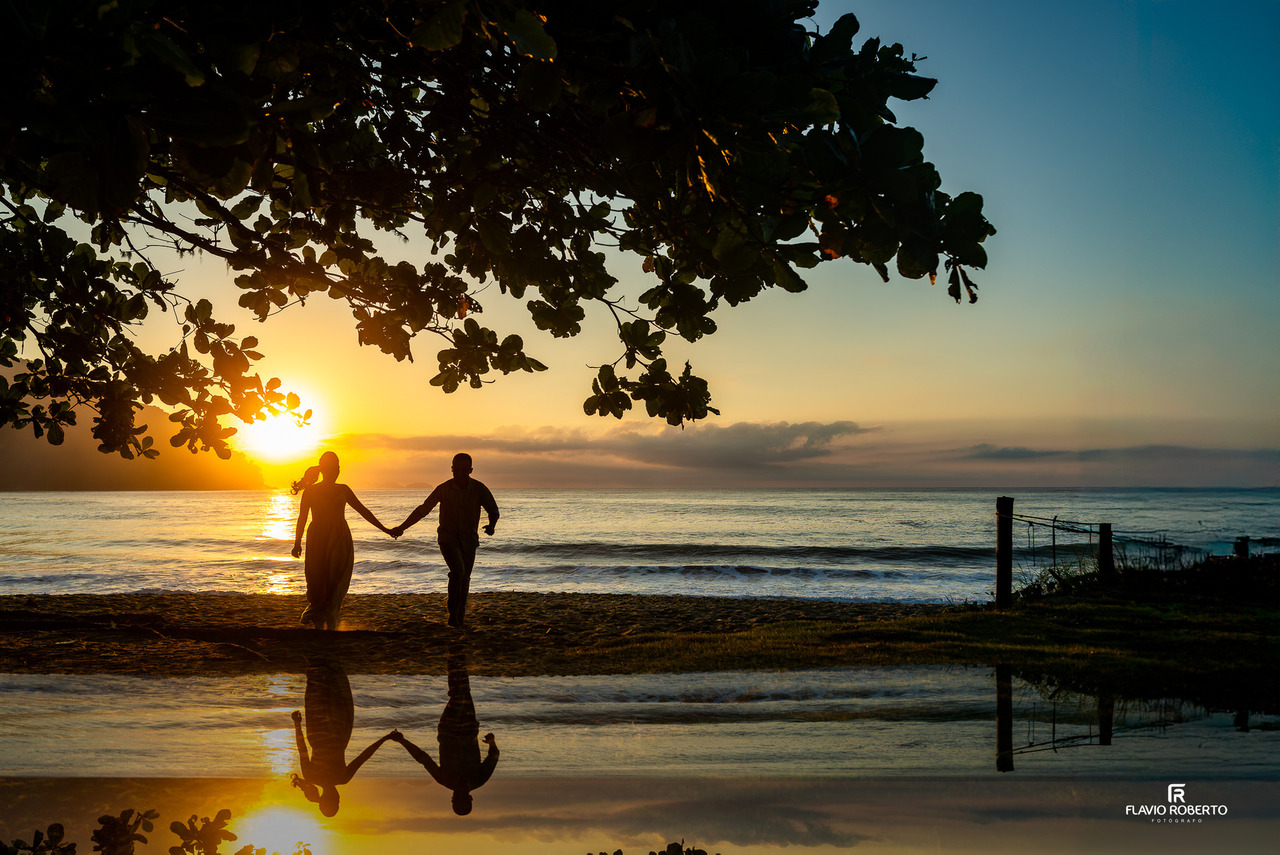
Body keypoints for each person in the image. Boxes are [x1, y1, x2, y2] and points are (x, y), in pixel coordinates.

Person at [390, 453, 499, 628]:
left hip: (469, 541)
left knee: (464, 579)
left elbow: (493, 510)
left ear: (470, 470)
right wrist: (402, 527)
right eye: (456, 470)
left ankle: (458, 619)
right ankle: (452, 614)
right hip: (448, 539)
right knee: (459, 572)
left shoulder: (479, 489)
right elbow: (423, 510)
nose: (460, 474)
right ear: (452, 469)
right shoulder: (443, 489)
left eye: (464, 470)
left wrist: (492, 525)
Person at [387, 645, 499, 815]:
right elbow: (494, 756)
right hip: (469, 729)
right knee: (463, 693)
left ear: (452, 799)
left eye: (456, 799)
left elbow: (423, 759)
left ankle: (455, 654)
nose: (459, 796)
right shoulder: (479, 779)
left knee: (458, 694)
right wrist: (491, 742)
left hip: (448, 730)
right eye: (464, 799)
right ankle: (455, 655)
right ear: (470, 798)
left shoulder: (444, 779)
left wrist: (402, 741)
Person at [291, 451, 390, 630]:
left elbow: (363, 511)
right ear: (328, 469)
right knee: (317, 578)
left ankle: (330, 623)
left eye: (338, 465)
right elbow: (302, 517)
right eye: (335, 465)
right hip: (319, 538)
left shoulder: (342, 489)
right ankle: (321, 624)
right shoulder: (312, 491)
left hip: (338, 538)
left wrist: (385, 529)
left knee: (335, 579)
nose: (337, 469)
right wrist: (297, 543)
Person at [291, 657, 397, 817]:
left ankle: (326, 655)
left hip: (338, 731)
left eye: (337, 802)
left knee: (333, 691)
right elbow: (302, 749)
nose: (340, 799)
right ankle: (316, 656)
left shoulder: (342, 778)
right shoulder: (312, 777)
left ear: (335, 798)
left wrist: (385, 738)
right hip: (318, 733)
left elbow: (364, 756)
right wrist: (297, 724)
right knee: (316, 691)